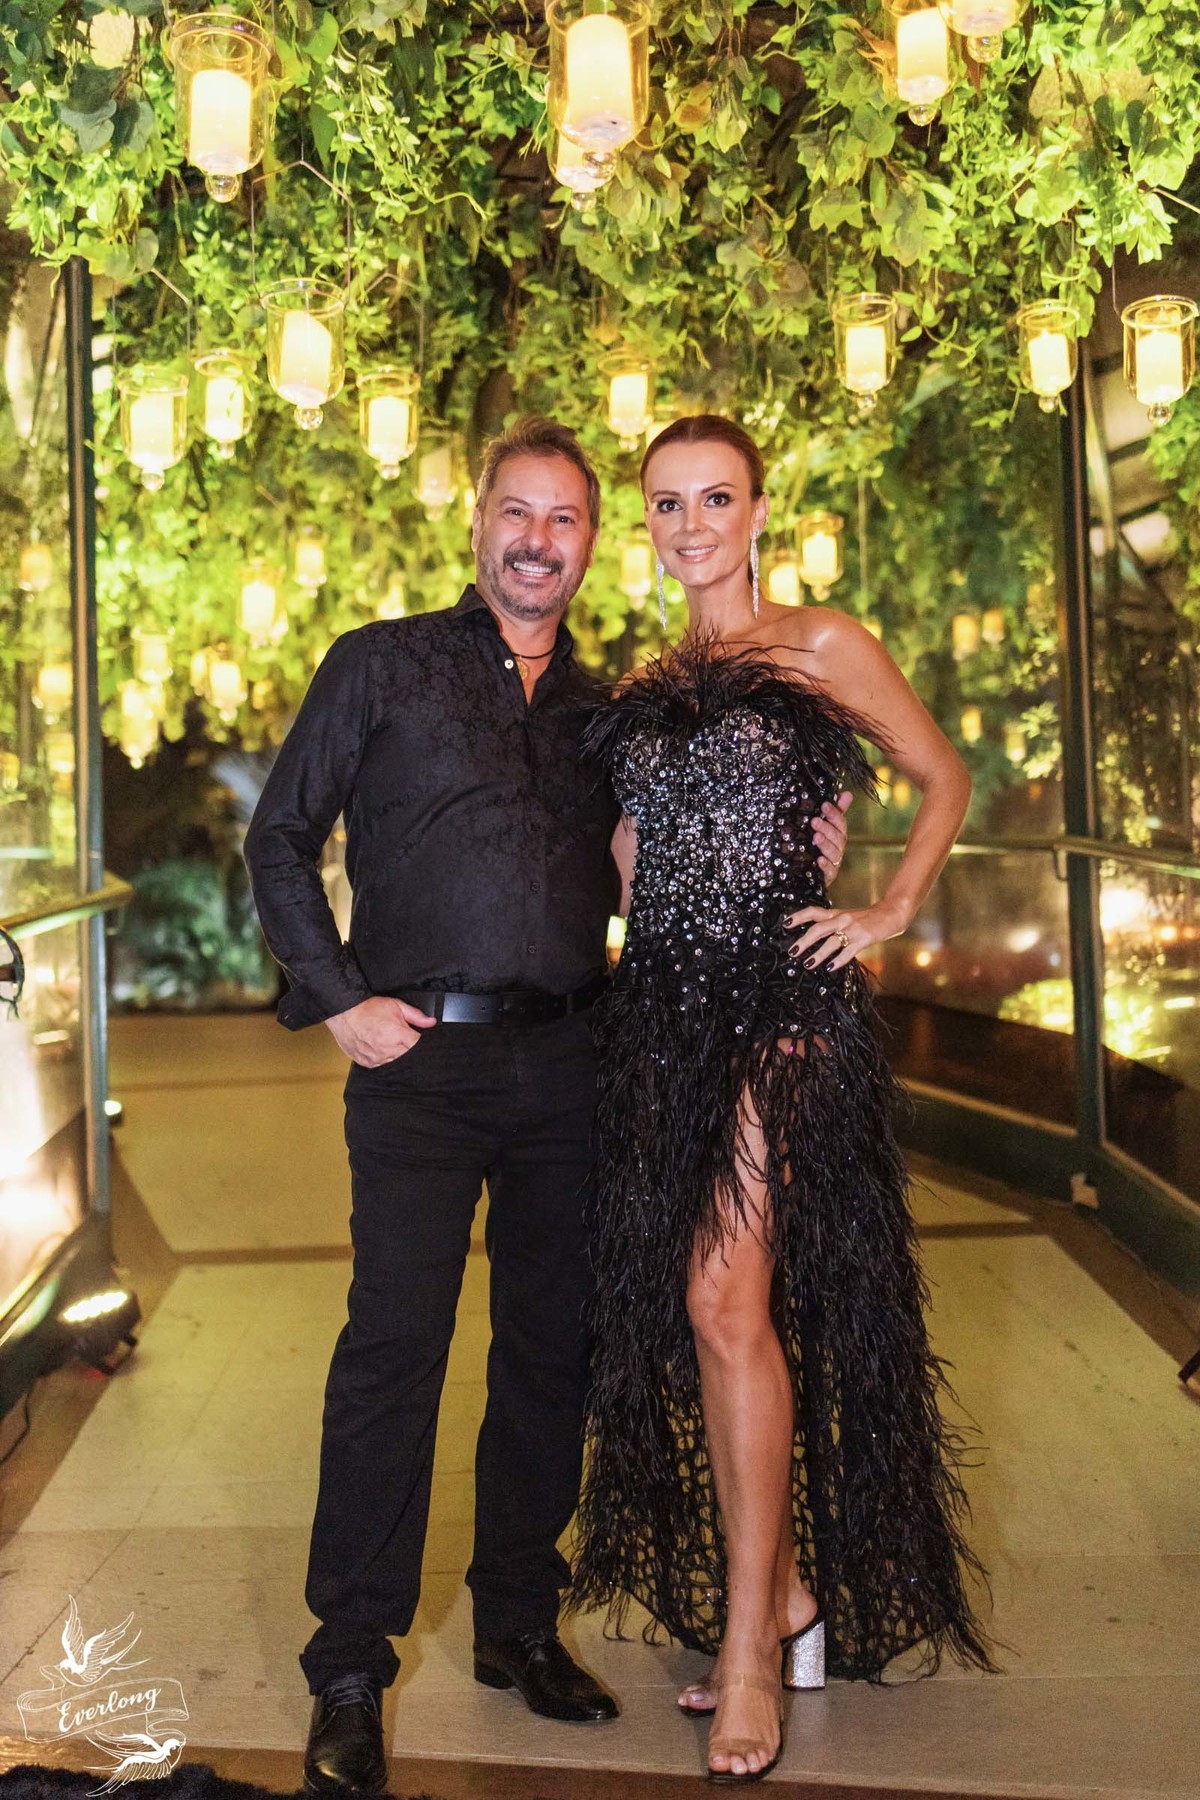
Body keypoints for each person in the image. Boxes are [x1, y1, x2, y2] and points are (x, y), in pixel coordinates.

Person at [242, 416, 851, 1795]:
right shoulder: (380, 663)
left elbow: (681, 847)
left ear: (589, 545)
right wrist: (336, 998)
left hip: (578, 1062)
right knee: (393, 1351)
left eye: (564, 519)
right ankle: (350, 1665)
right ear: (478, 525)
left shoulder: (610, 712)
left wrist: (814, 841)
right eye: (516, 513)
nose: (537, 540)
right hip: (417, 1065)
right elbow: (279, 836)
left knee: (549, 1355)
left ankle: (517, 1621)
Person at [568, 415, 993, 1787]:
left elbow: (943, 775)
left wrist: (885, 909)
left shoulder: (820, 646)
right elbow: (635, 854)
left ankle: (752, 1644)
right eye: (665, 504)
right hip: (662, 1014)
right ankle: (784, 1593)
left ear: (759, 511)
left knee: (721, 1301)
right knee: (707, 1313)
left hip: (779, 1004)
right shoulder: (645, 683)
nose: (690, 525)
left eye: (715, 499)